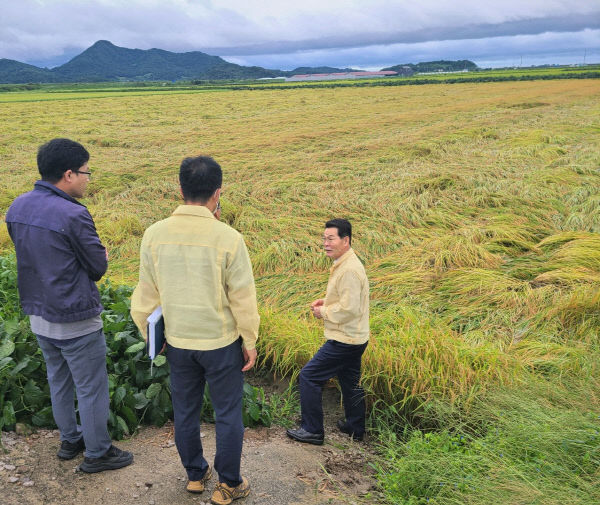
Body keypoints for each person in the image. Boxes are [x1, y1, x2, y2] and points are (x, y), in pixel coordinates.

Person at [130, 155, 259, 505]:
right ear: (217, 193)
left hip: (178, 342)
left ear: (180, 189)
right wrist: (250, 340)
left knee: (185, 411)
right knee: (227, 413)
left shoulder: (154, 234)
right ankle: (230, 483)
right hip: (220, 343)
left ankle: (195, 474)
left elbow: (145, 296)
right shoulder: (229, 237)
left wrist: (151, 335)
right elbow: (243, 297)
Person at [5, 138, 133, 473]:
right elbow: (97, 267)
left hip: (39, 314)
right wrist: (101, 256)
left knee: (57, 380)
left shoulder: (17, 206)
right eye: (86, 172)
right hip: (75, 316)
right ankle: (98, 453)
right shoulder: (73, 214)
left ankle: (70, 440)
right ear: (68, 174)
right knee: (91, 387)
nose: (89, 178)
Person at [287, 219, 370, 445]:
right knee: (350, 381)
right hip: (356, 337)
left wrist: (323, 311)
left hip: (345, 339)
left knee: (309, 377)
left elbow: (350, 309)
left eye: (331, 238)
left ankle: (312, 430)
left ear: (346, 240)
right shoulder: (345, 263)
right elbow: (347, 300)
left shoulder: (350, 270)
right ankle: (355, 427)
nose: (325, 243)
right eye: (324, 238)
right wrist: (328, 301)